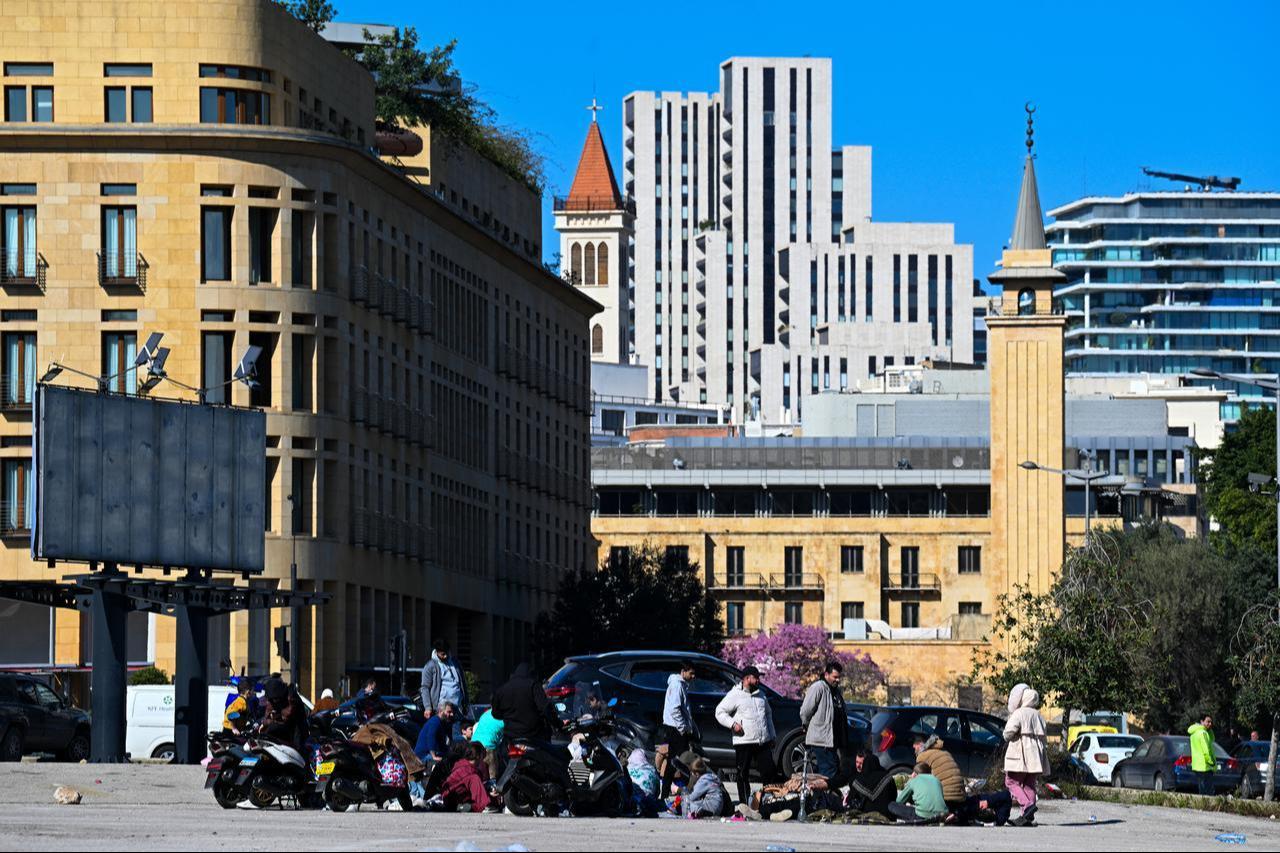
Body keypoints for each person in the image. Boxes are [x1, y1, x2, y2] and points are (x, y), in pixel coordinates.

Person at [715, 665, 778, 805]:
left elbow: (768, 714)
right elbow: (719, 712)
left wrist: (772, 735)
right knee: (743, 774)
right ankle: (744, 804)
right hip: (744, 741)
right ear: (747, 678)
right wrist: (733, 724)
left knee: (769, 771)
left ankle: (768, 801)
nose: (758, 681)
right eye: (756, 678)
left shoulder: (761, 695)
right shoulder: (735, 694)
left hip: (763, 741)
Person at [1003, 683, 1047, 827]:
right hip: (1036, 757)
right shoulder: (1039, 715)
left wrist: (1009, 736)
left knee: (1011, 782)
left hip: (1020, 753)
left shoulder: (1019, 713)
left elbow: (1008, 733)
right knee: (1029, 784)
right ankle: (1027, 817)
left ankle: (1027, 806)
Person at [799, 661, 847, 780]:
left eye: (839, 677)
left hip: (832, 742)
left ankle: (823, 797)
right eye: (835, 677)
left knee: (831, 772)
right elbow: (805, 711)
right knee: (827, 774)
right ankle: (824, 798)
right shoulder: (818, 687)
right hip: (821, 742)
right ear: (826, 675)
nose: (837, 680)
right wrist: (806, 725)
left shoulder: (836, 692)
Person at [659, 660, 698, 798]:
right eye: (691, 673)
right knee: (680, 761)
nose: (693, 676)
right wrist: (682, 728)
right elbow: (675, 709)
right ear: (683, 671)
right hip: (675, 729)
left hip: (675, 727)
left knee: (674, 761)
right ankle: (683, 791)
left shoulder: (680, 685)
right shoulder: (677, 685)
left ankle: (665, 792)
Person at [491, 663, 552, 742]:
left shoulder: (501, 690)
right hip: (533, 735)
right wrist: (558, 724)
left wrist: (508, 716)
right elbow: (545, 708)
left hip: (510, 736)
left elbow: (495, 713)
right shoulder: (533, 685)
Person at [420, 639, 470, 733]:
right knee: (442, 734)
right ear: (437, 652)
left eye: (447, 653)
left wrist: (466, 702)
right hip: (441, 709)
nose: (445, 656)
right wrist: (427, 707)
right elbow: (425, 687)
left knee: (455, 737)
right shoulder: (430, 666)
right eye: (442, 654)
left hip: (457, 707)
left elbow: (462, 683)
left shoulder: (455, 663)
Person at [913, 733, 966, 810]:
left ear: (921, 744)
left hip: (946, 798)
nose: (913, 746)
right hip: (961, 797)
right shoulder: (944, 751)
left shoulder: (922, 756)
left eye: (916, 743)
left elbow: (921, 781)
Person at [441, 741, 494, 813]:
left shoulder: (460, 765)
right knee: (475, 779)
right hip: (451, 799)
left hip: (448, 797)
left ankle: (465, 807)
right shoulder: (470, 771)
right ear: (479, 756)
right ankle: (483, 806)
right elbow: (476, 786)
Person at [846, 748, 896, 820]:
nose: (858, 766)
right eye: (857, 762)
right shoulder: (887, 777)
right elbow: (894, 796)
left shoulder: (858, 781)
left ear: (865, 764)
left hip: (865, 816)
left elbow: (849, 801)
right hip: (887, 815)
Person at [260, 677, 308, 750]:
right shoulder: (271, 698)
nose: (274, 701)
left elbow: (287, 714)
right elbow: (267, 713)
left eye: (275, 699)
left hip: (296, 726)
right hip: (283, 729)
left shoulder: (290, 696)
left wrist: (275, 718)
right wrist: (264, 722)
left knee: (298, 747)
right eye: (272, 699)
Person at [470, 708, 506, 780]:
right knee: (492, 776)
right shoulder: (504, 716)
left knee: (474, 772)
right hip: (488, 746)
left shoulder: (486, 714)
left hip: (473, 744)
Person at [1189, 714, 1217, 797]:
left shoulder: (1194, 733)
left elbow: (1212, 739)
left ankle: (1202, 805)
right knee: (1209, 791)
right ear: (1202, 721)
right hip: (1205, 766)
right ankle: (1208, 808)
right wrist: (1211, 761)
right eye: (1208, 722)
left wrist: (1209, 730)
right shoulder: (1203, 733)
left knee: (1201, 789)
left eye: (1211, 722)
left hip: (1197, 765)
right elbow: (1206, 750)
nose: (1210, 724)